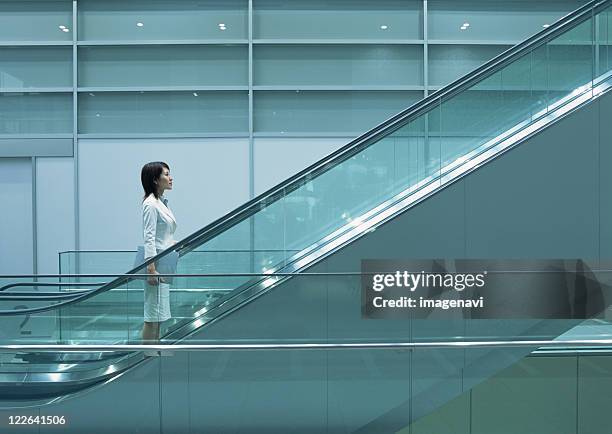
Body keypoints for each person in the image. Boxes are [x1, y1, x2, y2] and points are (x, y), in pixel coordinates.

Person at [140, 161, 176, 343]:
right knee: (152, 315)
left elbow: (163, 237)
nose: (171, 178)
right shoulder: (151, 205)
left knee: (160, 314)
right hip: (156, 266)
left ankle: (153, 354)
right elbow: (149, 238)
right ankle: (146, 355)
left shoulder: (162, 203)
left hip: (164, 264)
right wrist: (151, 269)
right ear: (155, 180)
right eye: (166, 174)